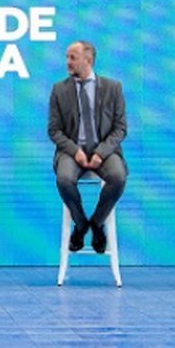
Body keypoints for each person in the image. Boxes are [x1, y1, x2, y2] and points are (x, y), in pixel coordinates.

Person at [47, 40, 128, 254]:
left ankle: (97, 223)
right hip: (71, 151)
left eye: (73, 57)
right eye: (67, 57)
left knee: (118, 177)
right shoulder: (59, 90)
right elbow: (54, 131)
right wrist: (75, 151)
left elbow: (120, 129)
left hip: (105, 151)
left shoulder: (113, 88)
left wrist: (101, 152)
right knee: (64, 179)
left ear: (88, 60)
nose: (68, 62)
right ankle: (81, 224)